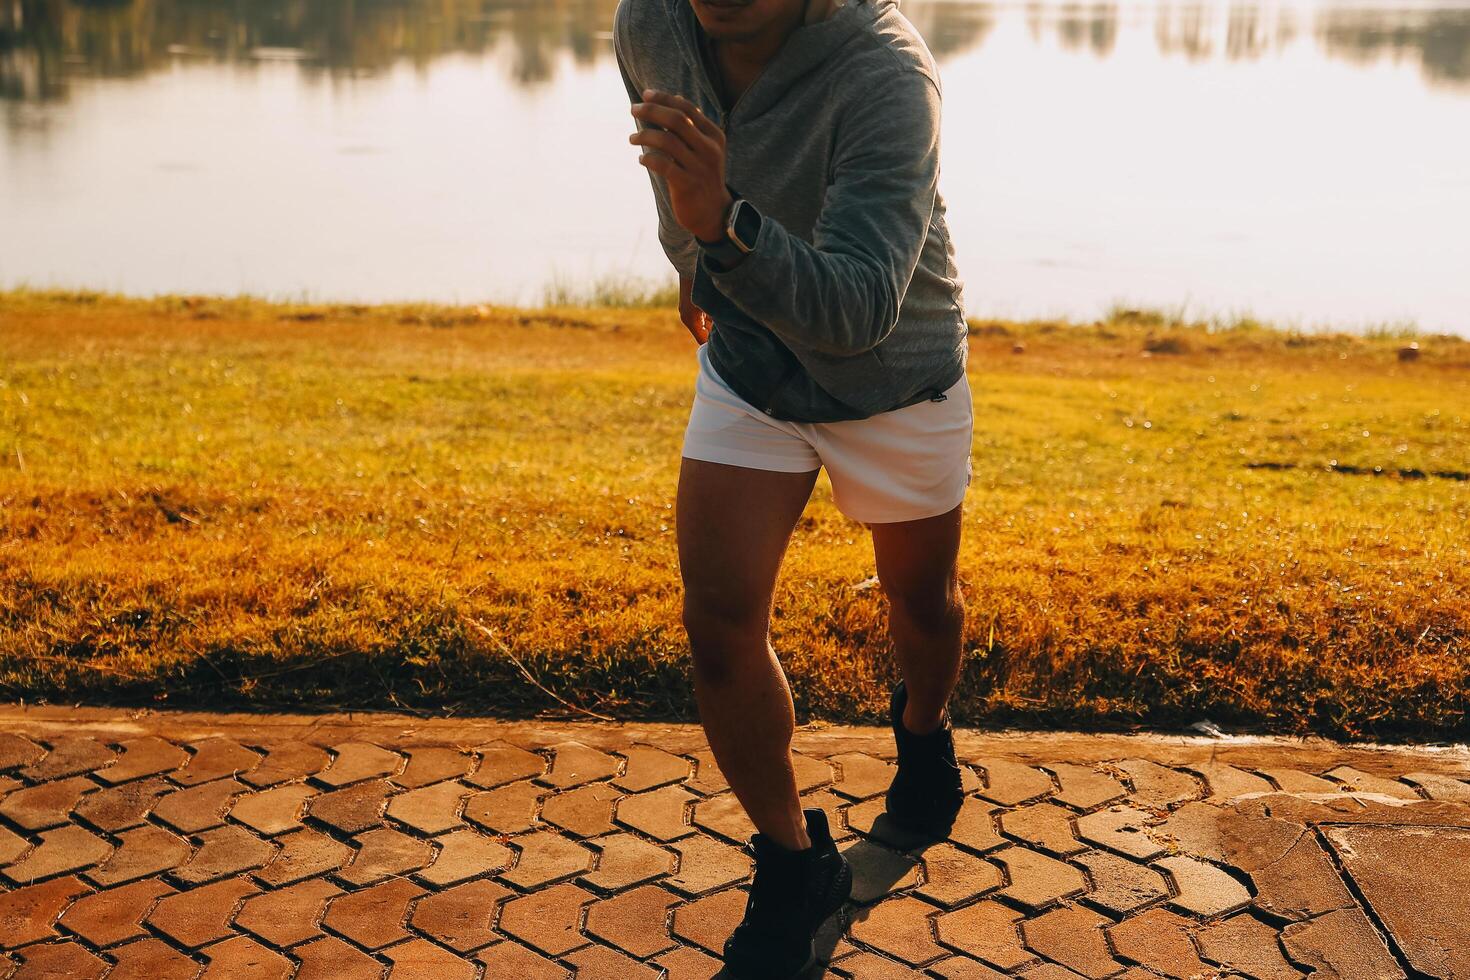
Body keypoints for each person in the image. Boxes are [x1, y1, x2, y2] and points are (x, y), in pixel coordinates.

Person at [614, 0, 972, 975]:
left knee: (921, 605)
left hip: (892, 376)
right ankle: (791, 859)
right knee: (718, 623)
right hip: (753, 363)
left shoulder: (888, 75)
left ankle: (923, 731)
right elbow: (672, 178)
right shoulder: (652, 22)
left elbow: (860, 306)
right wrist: (698, 262)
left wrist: (722, 233)